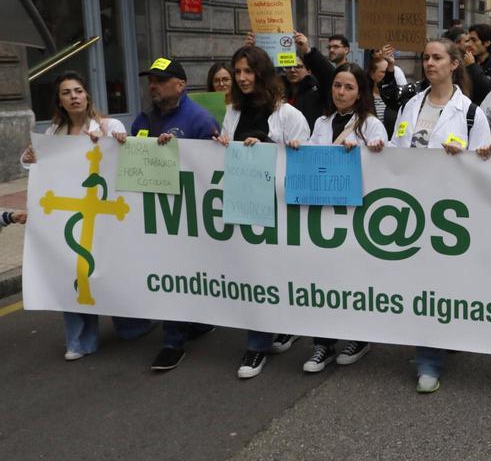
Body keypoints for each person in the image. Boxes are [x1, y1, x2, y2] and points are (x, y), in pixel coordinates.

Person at [391, 38, 491, 393]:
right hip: (411, 207)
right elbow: (397, 150)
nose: (429, 63)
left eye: (437, 58)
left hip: (449, 215)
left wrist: (466, 155)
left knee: (435, 283)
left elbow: (483, 165)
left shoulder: (471, 114)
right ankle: (433, 342)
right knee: (417, 281)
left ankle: (429, 362)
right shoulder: (411, 105)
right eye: (426, 58)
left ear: (453, 65)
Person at [20, 72, 141, 361]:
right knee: (72, 271)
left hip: (106, 212)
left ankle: (133, 323)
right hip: (70, 211)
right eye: (66, 92)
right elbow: (37, 166)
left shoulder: (109, 125)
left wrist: (118, 141)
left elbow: (127, 158)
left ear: (87, 95)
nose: (73, 96)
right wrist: (29, 158)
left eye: (78, 90)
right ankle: (80, 341)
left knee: (112, 270)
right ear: (59, 101)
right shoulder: (53, 134)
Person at [120, 58, 223, 370]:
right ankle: (197, 322)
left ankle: (172, 341)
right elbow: (134, 160)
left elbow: (211, 170)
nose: (153, 85)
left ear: (180, 85)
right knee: (171, 272)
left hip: (187, 216)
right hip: (156, 213)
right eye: (151, 80)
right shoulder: (143, 119)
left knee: (179, 271)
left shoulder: (200, 120)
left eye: (161, 80)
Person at [288, 62, 388, 373]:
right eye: (337, 86)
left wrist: (370, 151)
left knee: (354, 278)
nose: (341, 92)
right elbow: (312, 161)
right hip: (323, 215)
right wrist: (298, 147)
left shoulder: (371, 125)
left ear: (360, 93)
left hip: (356, 217)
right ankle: (323, 343)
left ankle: (359, 337)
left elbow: (386, 166)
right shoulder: (321, 122)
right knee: (323, 278)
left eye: (349, 87)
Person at [219, 45, 310, 379]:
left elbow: (304, 163)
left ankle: (278, 329)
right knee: (253, 273)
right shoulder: (232, 112)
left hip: (281, 208)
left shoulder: (288, 116)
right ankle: (258, 342)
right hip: (247, 204)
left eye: (248, 71)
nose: (242, 78)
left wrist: (269, 150)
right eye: (237, 72)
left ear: (263, 73)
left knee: (278, 272)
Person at [367, 45, 405, 136]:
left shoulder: (397, 101)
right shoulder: (364, 98)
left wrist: (399, 138)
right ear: (372, 74)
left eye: (390, 72)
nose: (388, 75)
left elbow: (404, 123)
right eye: (384, 72)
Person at [464, 23, 491, 102]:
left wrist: (472, 66)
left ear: (487, 43)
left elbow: (490, 89)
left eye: (474, 40)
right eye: (468, 40)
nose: (469, 44)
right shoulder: (466, 61)